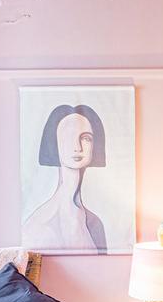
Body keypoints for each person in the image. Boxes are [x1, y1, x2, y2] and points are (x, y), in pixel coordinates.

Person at [22, 104, 108, 253]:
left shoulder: (96, 224)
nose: (78, 147)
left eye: (85, 138)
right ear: (54, 143)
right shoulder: (39, 226)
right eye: (68, 137)